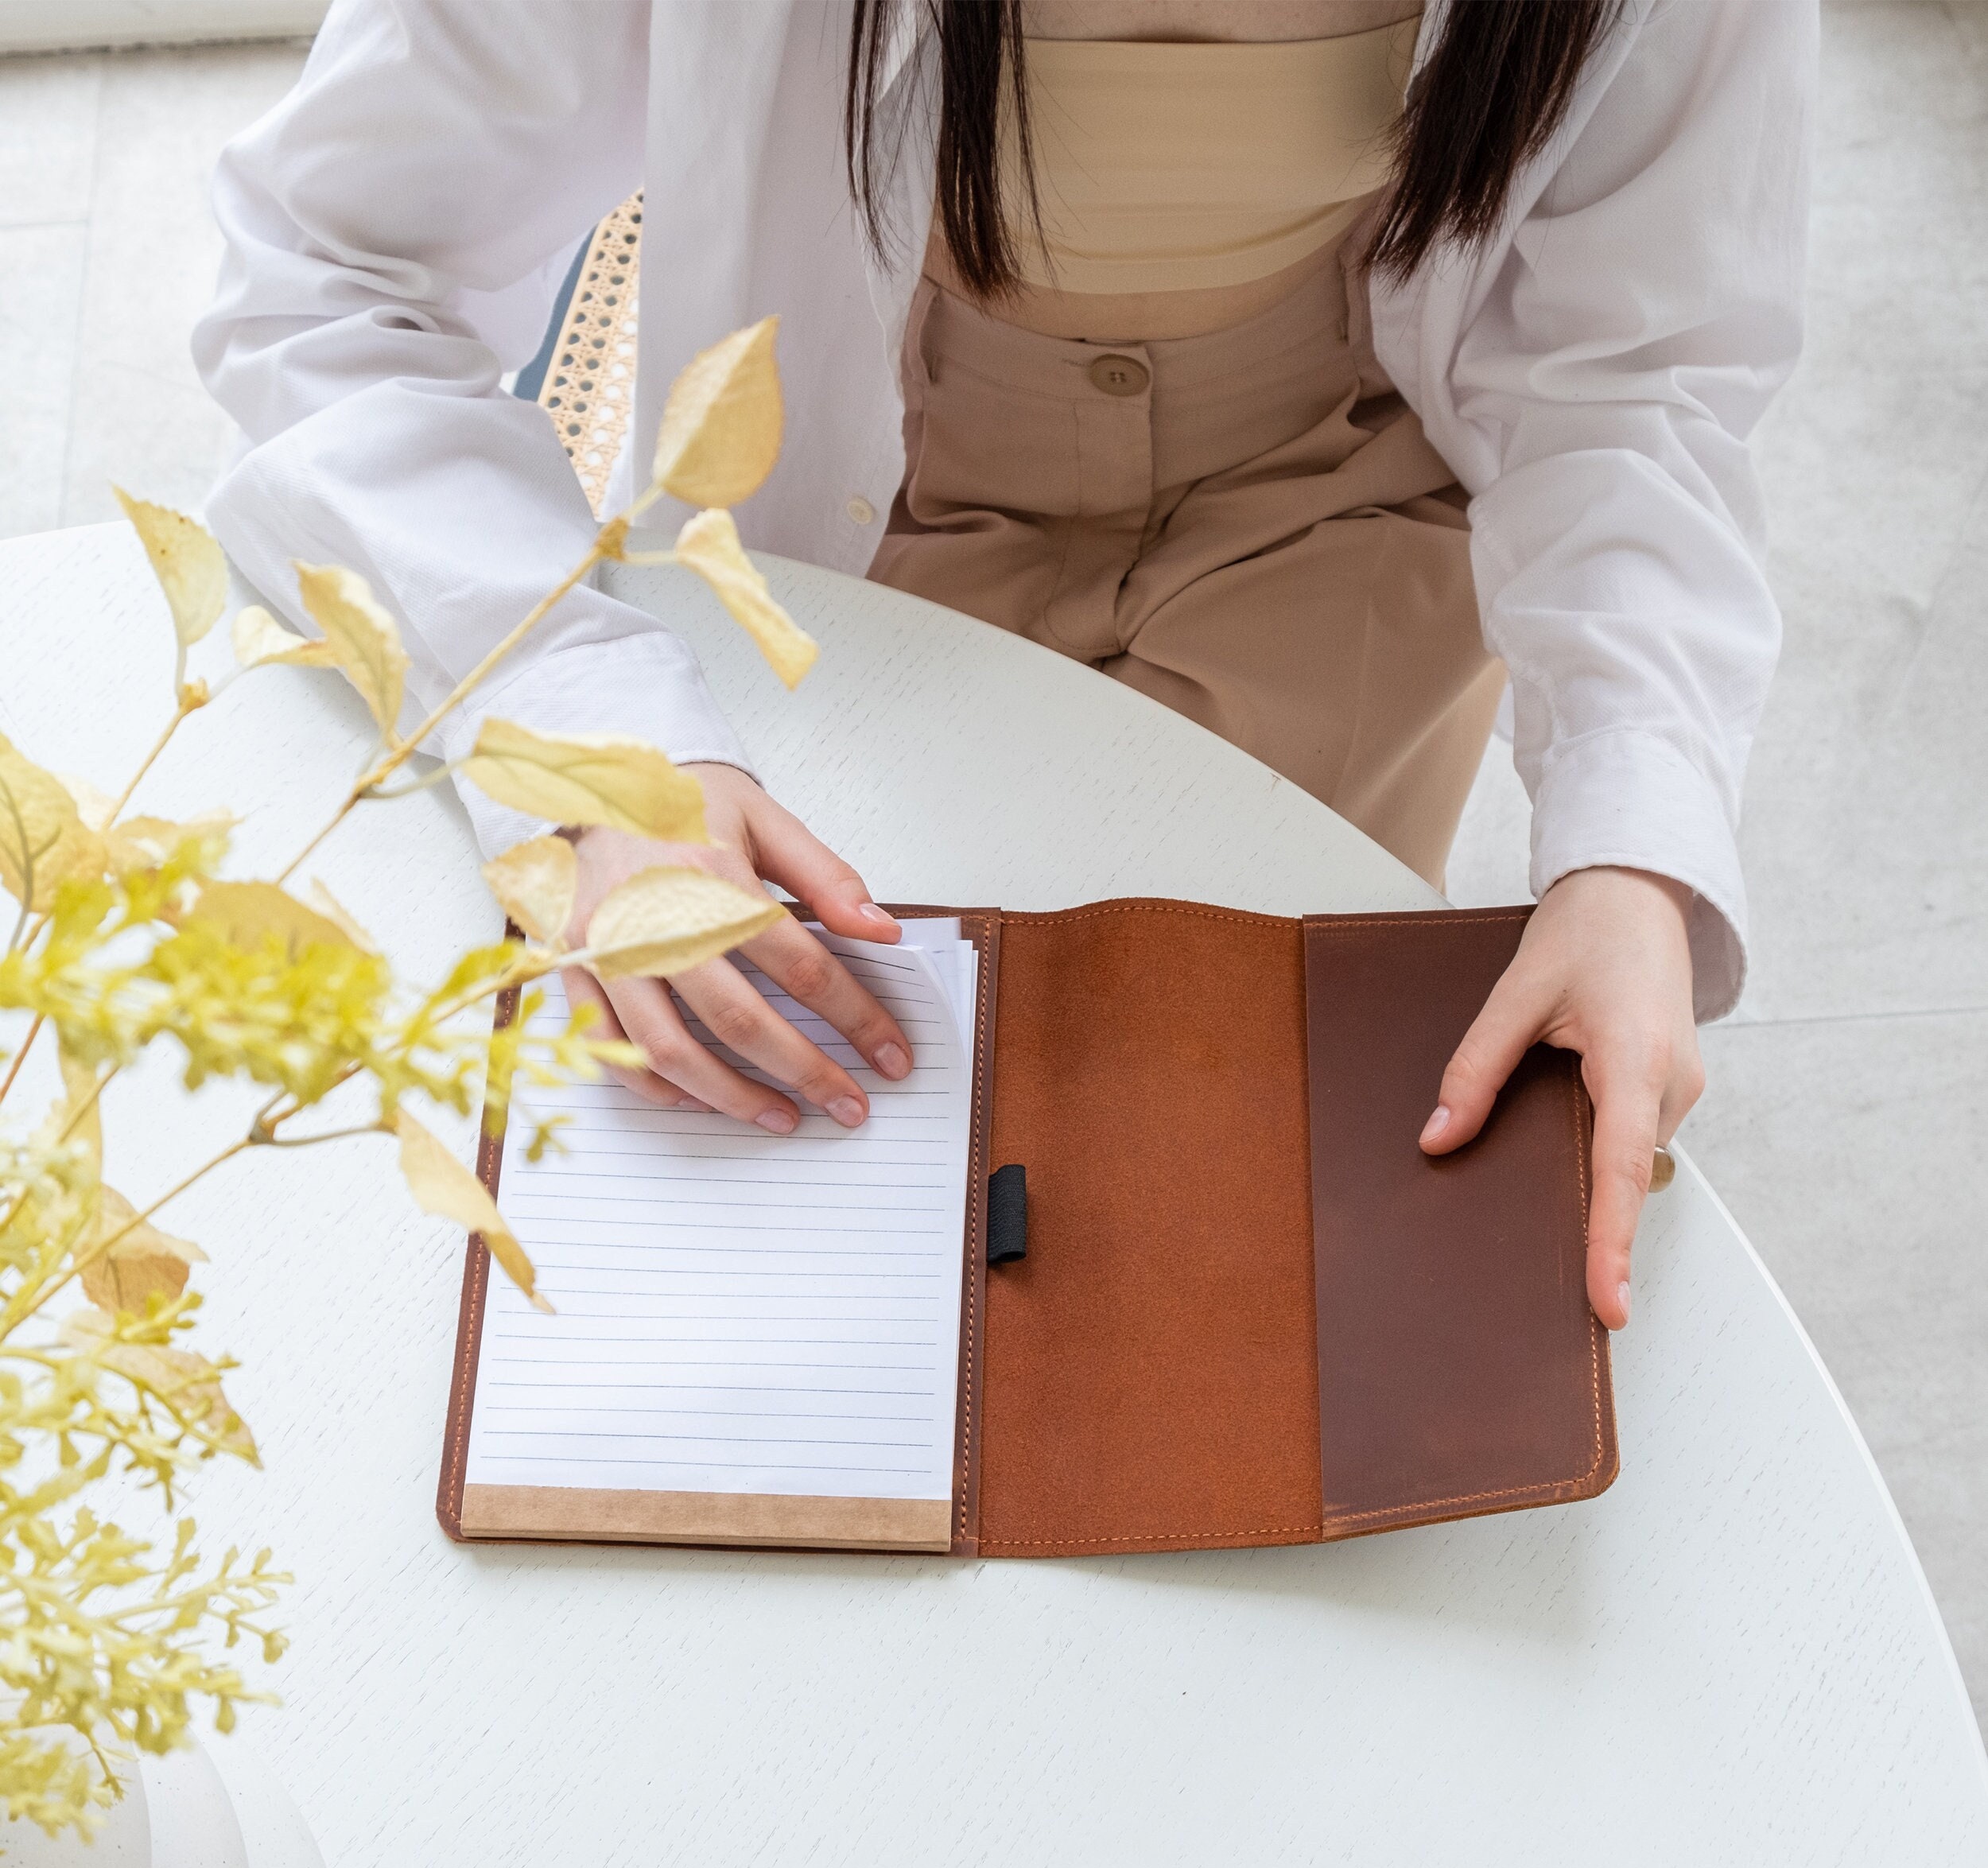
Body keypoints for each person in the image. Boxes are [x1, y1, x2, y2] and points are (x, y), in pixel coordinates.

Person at [193, 0, 1815, 1330]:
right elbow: (326, 264)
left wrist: (1631, 849)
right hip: (866, 498)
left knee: (1206, 1210)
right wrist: (587, 729)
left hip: (1345, 502)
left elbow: (1634, 372)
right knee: (797, 1178)